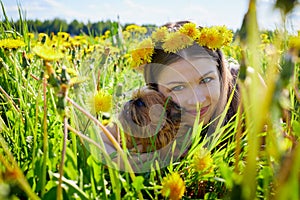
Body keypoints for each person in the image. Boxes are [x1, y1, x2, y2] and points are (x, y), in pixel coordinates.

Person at [101, 21, 241, 171]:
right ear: (156, 90)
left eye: (206, 80)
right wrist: (116, 160)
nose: (197, 101)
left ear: (220, 72)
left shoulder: (245, 84)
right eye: (178, 87)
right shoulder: (148, 111)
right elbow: (96, 137)